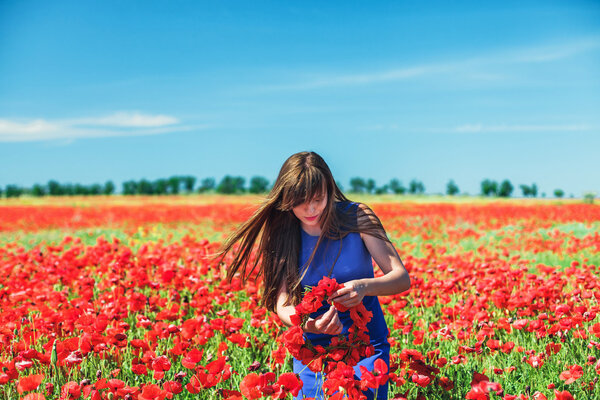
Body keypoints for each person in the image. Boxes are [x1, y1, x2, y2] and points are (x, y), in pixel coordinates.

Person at [218, 151, 411, 399]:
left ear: (330, 190)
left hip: (366, 347)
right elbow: (283, 303)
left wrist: (363, 287)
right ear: (286, 199)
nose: (310, 209)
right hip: (313, 350)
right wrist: (310, 325)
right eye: (300, 202)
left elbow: (401, 277)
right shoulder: (282, 232)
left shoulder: (357, 216)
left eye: (318, 199)